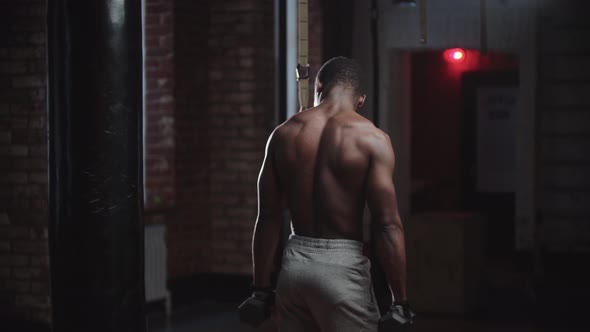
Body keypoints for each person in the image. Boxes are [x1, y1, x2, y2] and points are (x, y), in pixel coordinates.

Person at [251, 57, 409, 331]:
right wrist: (400, 302)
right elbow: (386, 225)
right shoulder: (372, 139)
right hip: (342, 268)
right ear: (360, 99)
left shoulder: (283, 134)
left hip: (295, 267)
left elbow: (267, 217)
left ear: (318, 86)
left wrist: (261, 289)